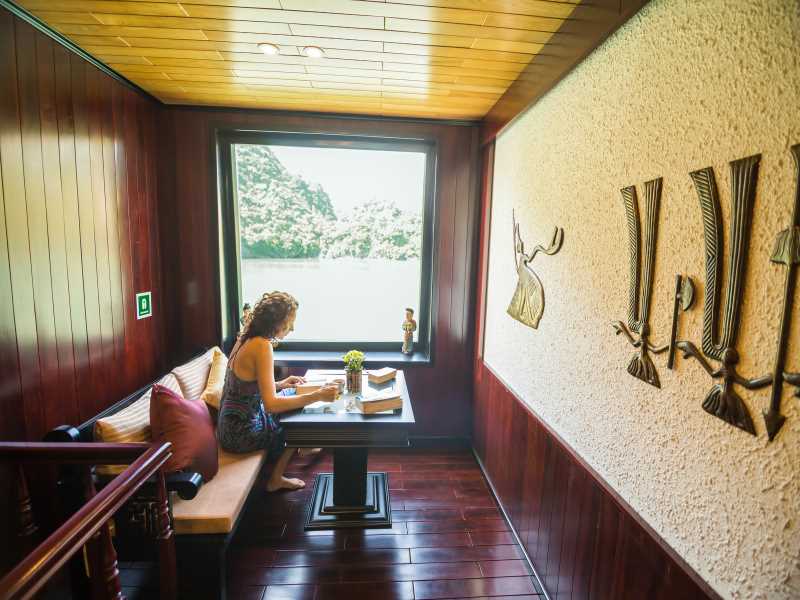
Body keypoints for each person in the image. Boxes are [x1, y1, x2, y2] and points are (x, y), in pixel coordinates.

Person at [217, 291, 338, 491]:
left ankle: (303, 445)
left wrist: (281, 384)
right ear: (277, 321)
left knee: (295, 393)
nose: (292, 328)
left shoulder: (246, 337)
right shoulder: (262, 346)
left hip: (228, 425)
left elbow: (245, 385)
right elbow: (272, 405)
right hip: (240, 432)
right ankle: (276, 479)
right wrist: (318, 395)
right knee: (291, 427)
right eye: (290, 322)